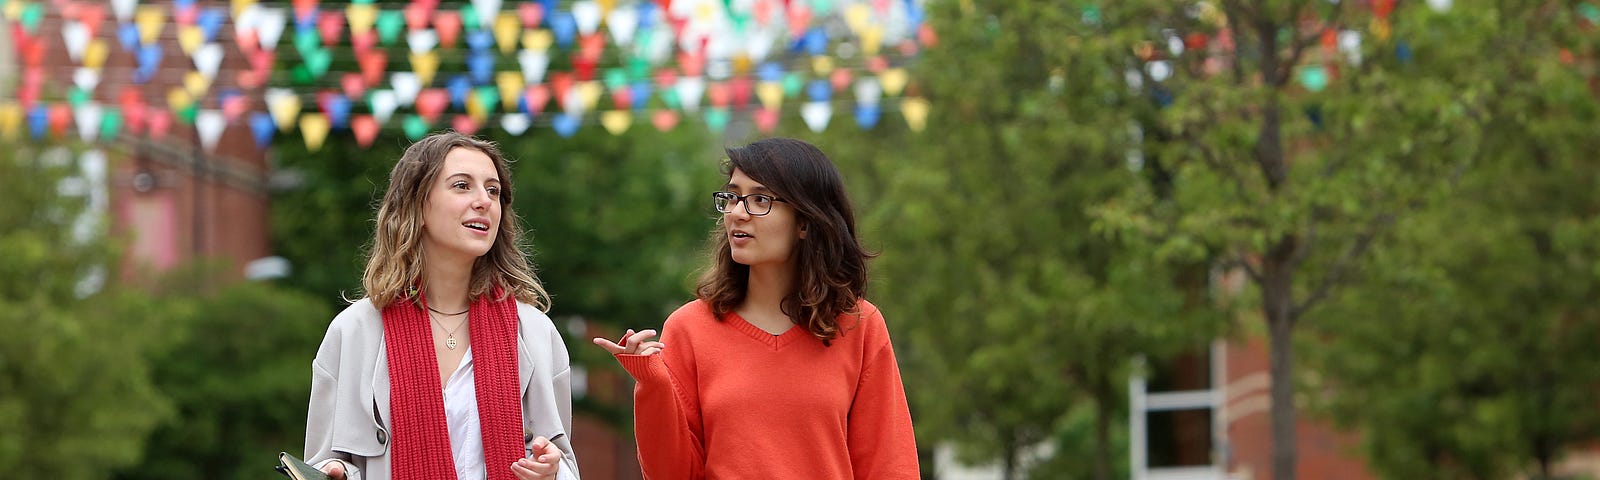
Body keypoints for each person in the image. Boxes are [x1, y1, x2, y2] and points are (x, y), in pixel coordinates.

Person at [592, 138, 920, 479]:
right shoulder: (687, 328)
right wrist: (652, 385)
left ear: (805, 222)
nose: (737, 212)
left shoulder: (860, 325)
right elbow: (671, 474)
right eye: (732, 196)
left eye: (759, 199)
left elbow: (890, 464)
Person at [304, 131, 580, 480]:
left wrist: (550, 473)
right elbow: (320, 463)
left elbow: (565, 464)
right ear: (417, 205)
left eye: (493, 190)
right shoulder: (354, 331)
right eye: (462, 186)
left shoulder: (535, 332)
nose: (483, 201)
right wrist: (335, 473)